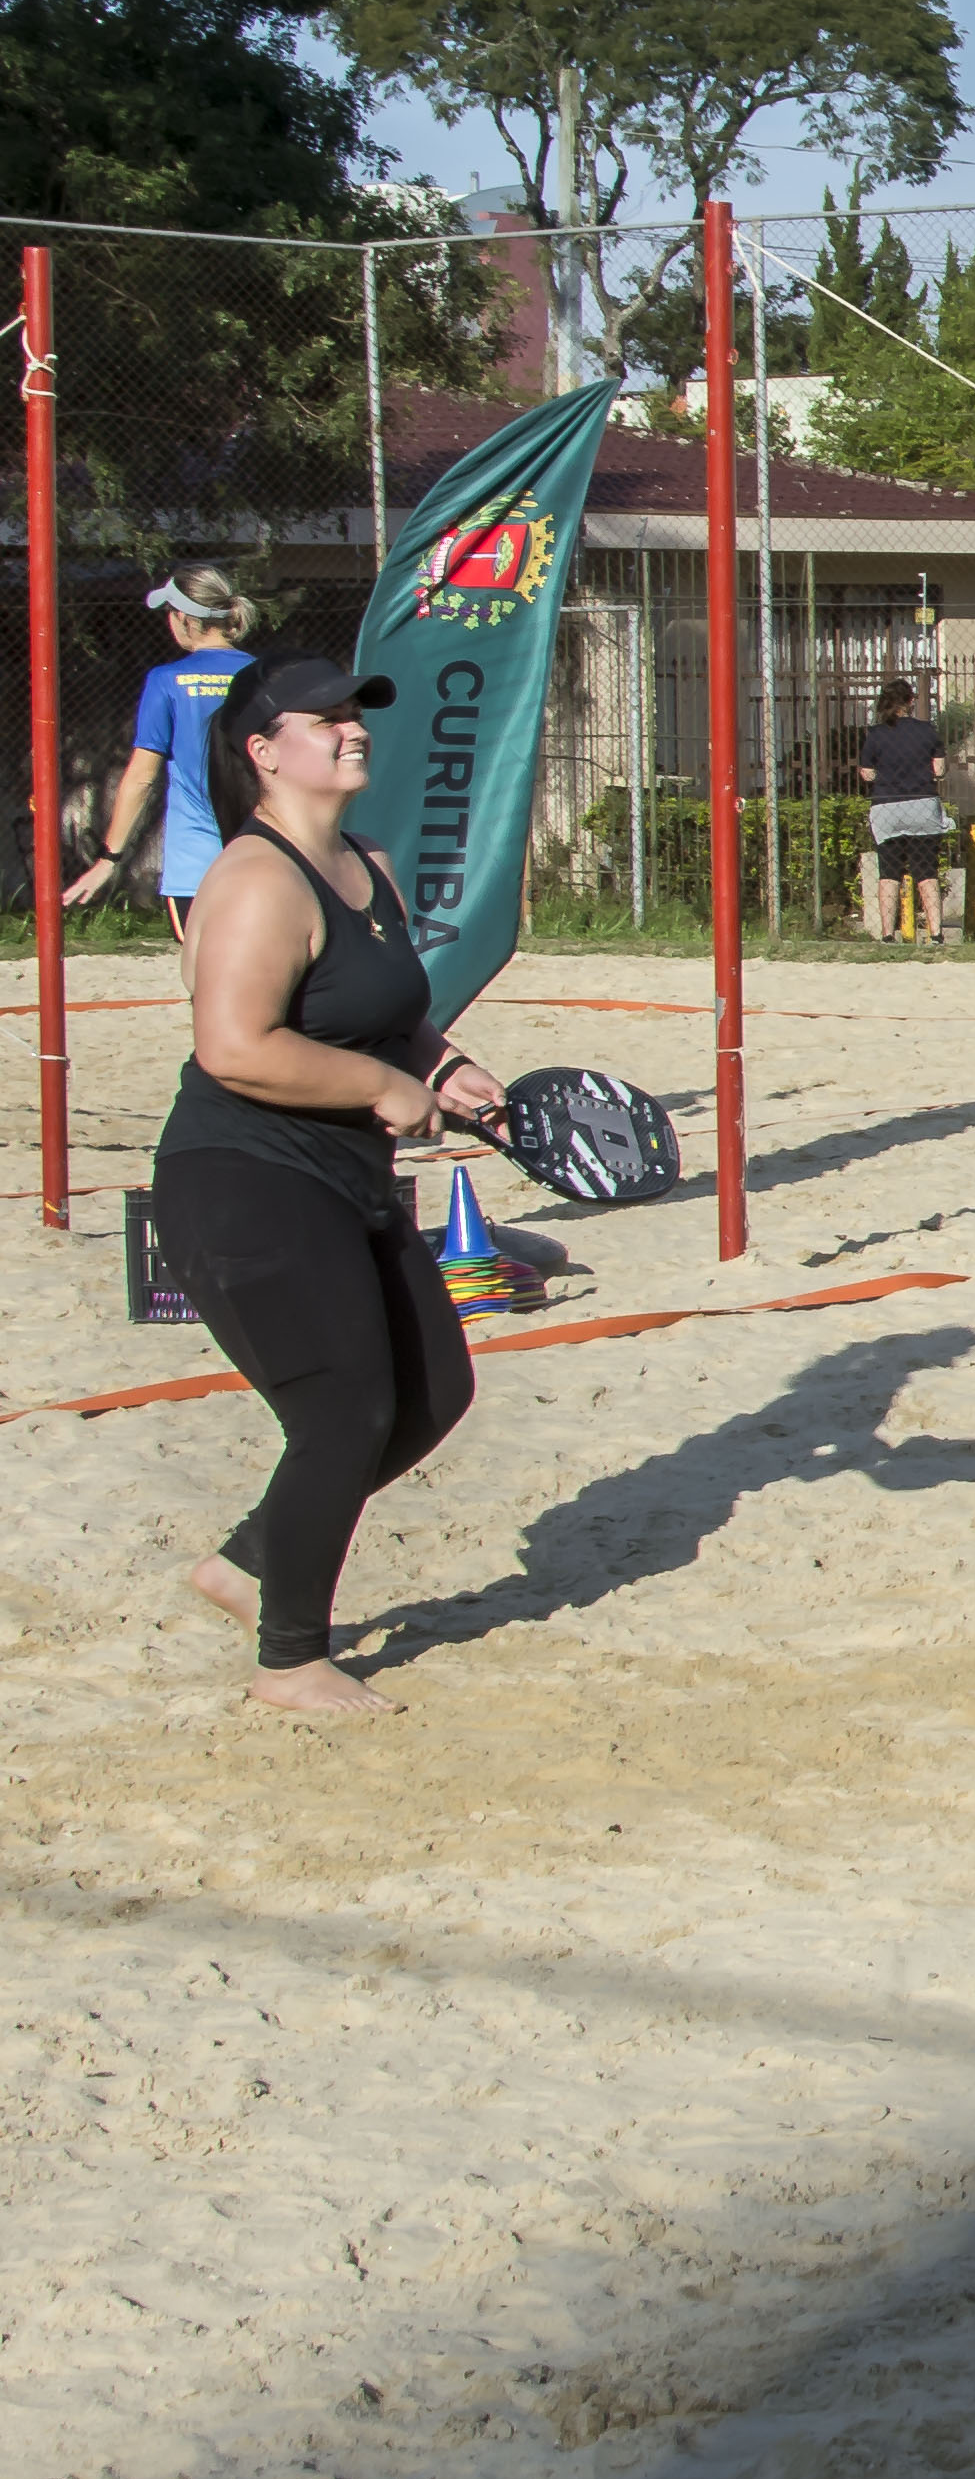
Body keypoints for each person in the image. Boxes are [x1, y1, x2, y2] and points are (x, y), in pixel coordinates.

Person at [152, 656, 506, 1714]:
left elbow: (390, 1012)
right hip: (243, 1178)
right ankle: (290, 1660)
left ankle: (254, 1559)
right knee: (344, 1409)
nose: (353, 730)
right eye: (328, 719)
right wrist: (380, 1086)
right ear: (262, 751)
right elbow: (233, 1048)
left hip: (343, 1174)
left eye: (356, 716)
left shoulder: (368, 862)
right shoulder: (255, 879)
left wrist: (443, 1067)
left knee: (435, 1392)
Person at [59, 570, 259, 966]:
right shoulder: (264, 675)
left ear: (185, 618)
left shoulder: (167, 681)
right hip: (267, 854)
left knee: (209, 984)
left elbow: (141, 776)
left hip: (196, 867)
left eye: (170, 612)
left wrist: (109, 860)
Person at [853, 680, 951, 943]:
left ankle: (887, 935)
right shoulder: (926, 731)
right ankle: (936, 934)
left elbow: (867, 773)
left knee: (889, 872)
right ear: (911, 702)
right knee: (926, 871)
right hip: (921, 804)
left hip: (887, 806)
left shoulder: (875, 734)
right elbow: (939, 770)